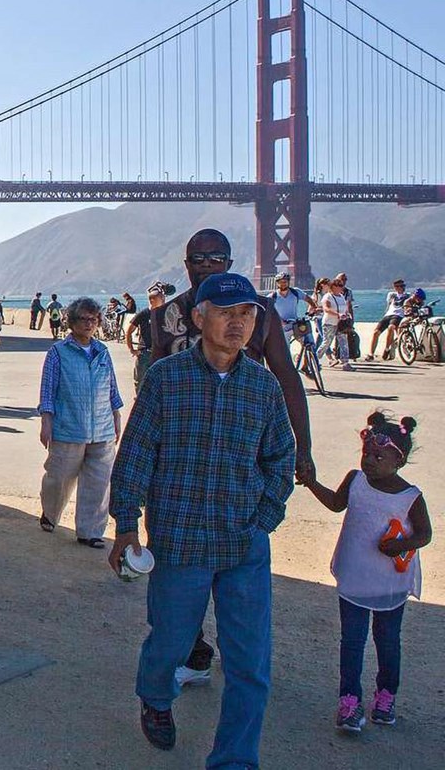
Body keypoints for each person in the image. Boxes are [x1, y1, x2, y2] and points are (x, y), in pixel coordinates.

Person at [110, 271, 296, 764]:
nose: (237, 323)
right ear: (199, 317)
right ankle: (155, 698)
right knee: (169, 643)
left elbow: (281, 457)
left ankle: (234, 759)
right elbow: (136, 454)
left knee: (250, 665)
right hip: (180, 542)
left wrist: (264, 519)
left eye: (246, 314)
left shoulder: (262, 387)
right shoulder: (165, 379)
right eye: (225, 313)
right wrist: (125, 524)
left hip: (244, 546)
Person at [147, 229, 315, 691]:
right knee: (179, 573)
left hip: (240, 459)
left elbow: (286, 378)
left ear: (229, 261)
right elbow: (151, 383)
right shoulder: (165, 318)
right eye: (196, 258)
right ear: (185, 263)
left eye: (215, 257)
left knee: (238, 567)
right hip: (178, 464)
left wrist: (303, 447)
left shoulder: (257, 316)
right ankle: (192, 650)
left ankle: (237, 664)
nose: (204, 265)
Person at [297, 411, 431, 733]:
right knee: (352, 642)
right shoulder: (356, 481)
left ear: (398, 461)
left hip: (389, 585)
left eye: (378, 456)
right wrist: (311, 482)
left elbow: (425, 534)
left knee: (388, 642)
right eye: (366, 453)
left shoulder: (411, 497)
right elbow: (335, 503)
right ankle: (349, 701)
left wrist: (402, 546)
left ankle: (385, 695)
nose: (369, 460)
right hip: (356, 578)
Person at [37, 297, 123, 548]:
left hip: (102, 430)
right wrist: (46, 421)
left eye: (93, 319)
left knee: (99, 482)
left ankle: (90, 531)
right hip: (69, 428)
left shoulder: (103, 352)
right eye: (83, 319)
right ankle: (50, 514)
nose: (89, 324)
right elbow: (47, 391)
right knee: (59, 478)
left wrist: (116, 416)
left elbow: (112, 388)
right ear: (72, 322)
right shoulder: (58, 353)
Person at [125, 281, 173, 392]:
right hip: (145, 353)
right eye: (161, 298)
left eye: (163, 298)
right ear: (152, 300)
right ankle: (138, 402)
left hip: (161, 353)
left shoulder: (166, 313)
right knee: (140, 381)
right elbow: (129, 332)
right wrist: (132, 349)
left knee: (162, 381)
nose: (164, 300)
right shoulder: (143, 314)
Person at [367, 278, 410, 361]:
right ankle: (371, 354)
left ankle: (387, 349)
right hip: (388, 315)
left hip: (398, 315)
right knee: (376, 332)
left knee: (391, 328)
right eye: (396, 286)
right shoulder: (391, 294)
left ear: (403, 286)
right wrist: (385, 313)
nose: (397, 288)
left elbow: (412, 303)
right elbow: (388, 305)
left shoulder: (407, 295)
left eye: (400, 286)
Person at [321, 276, 354, 370]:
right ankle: (314, 359)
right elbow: (326, 309)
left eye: (342, 285)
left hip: (340, 324)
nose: (341, 287)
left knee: (344, 342)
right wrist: (338, 314)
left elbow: (345, 308)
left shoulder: (342, 296)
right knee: (326, 343)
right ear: (333, 286)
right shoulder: (327, 296)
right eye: (339, 285)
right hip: (329, 323)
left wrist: (347, 314)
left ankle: (346, 363)